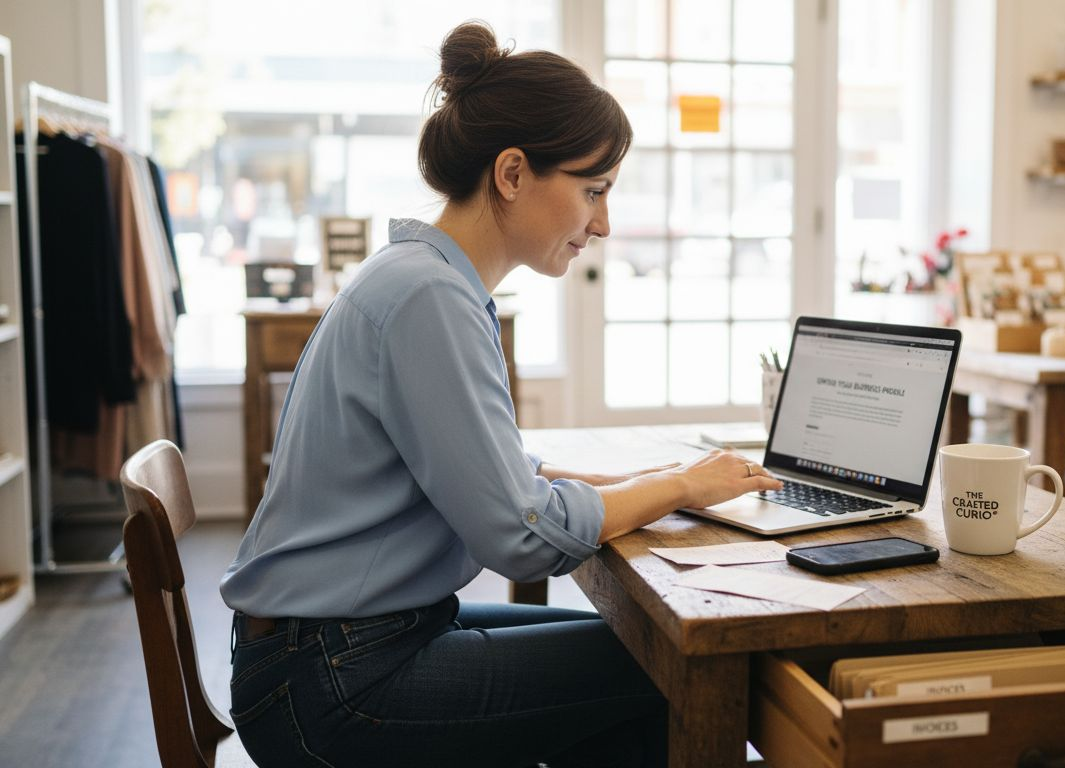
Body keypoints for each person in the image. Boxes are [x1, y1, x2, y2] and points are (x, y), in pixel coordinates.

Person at [220, 21, 782, 768]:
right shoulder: (429, 299)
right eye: (593, 189)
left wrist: (650, 486)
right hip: (332, 682)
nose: (604, 223)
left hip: (333, 647)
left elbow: (492, 475)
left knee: (639, 662)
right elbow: (520, 535)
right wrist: (675, 485)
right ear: (512, 173)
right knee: (666, 672)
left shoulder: (425, 280)